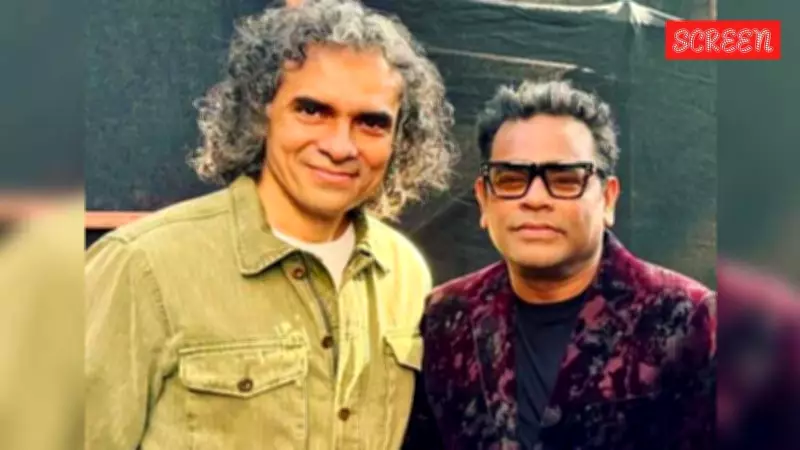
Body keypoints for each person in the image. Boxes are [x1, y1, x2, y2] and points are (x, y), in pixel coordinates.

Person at [84, 1, 456, 448]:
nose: (340, 146)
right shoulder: (143, 268)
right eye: (313, 111)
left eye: (370, 123)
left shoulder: (404, 274)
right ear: (261, 115)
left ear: (401, 139)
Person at [404, 80, 716, 450]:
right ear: (484, 200)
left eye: (565, 180)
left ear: (608, 199)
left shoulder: (686, 318)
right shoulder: (446, 316)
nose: (535, 199)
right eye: (510, 179)